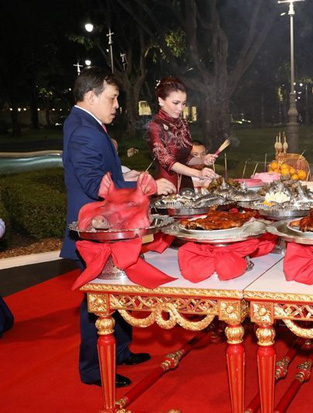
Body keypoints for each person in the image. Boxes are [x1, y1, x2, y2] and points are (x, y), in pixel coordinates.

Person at [61, 67, 176, 388]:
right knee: (97, 302)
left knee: (118, 293)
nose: (116, 106)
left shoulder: (86, 123)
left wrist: (129, 174)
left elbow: (105, 169)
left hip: (109, 226)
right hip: (95, 230)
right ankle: (94, 369)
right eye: (112, 98)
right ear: (91, 96)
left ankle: (121, 351)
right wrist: (146, 185)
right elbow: (95, 183)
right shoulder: (83, 130)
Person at [146, 77, 217, 190]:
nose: (180, 108)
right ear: (161, 100)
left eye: (183, 103)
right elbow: (168, 162)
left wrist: (202, 160)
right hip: (167, 185)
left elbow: (185, 159)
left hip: (186, 183)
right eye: (175, 103)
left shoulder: (182, 123)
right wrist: (198, 173)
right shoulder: (155, 126)